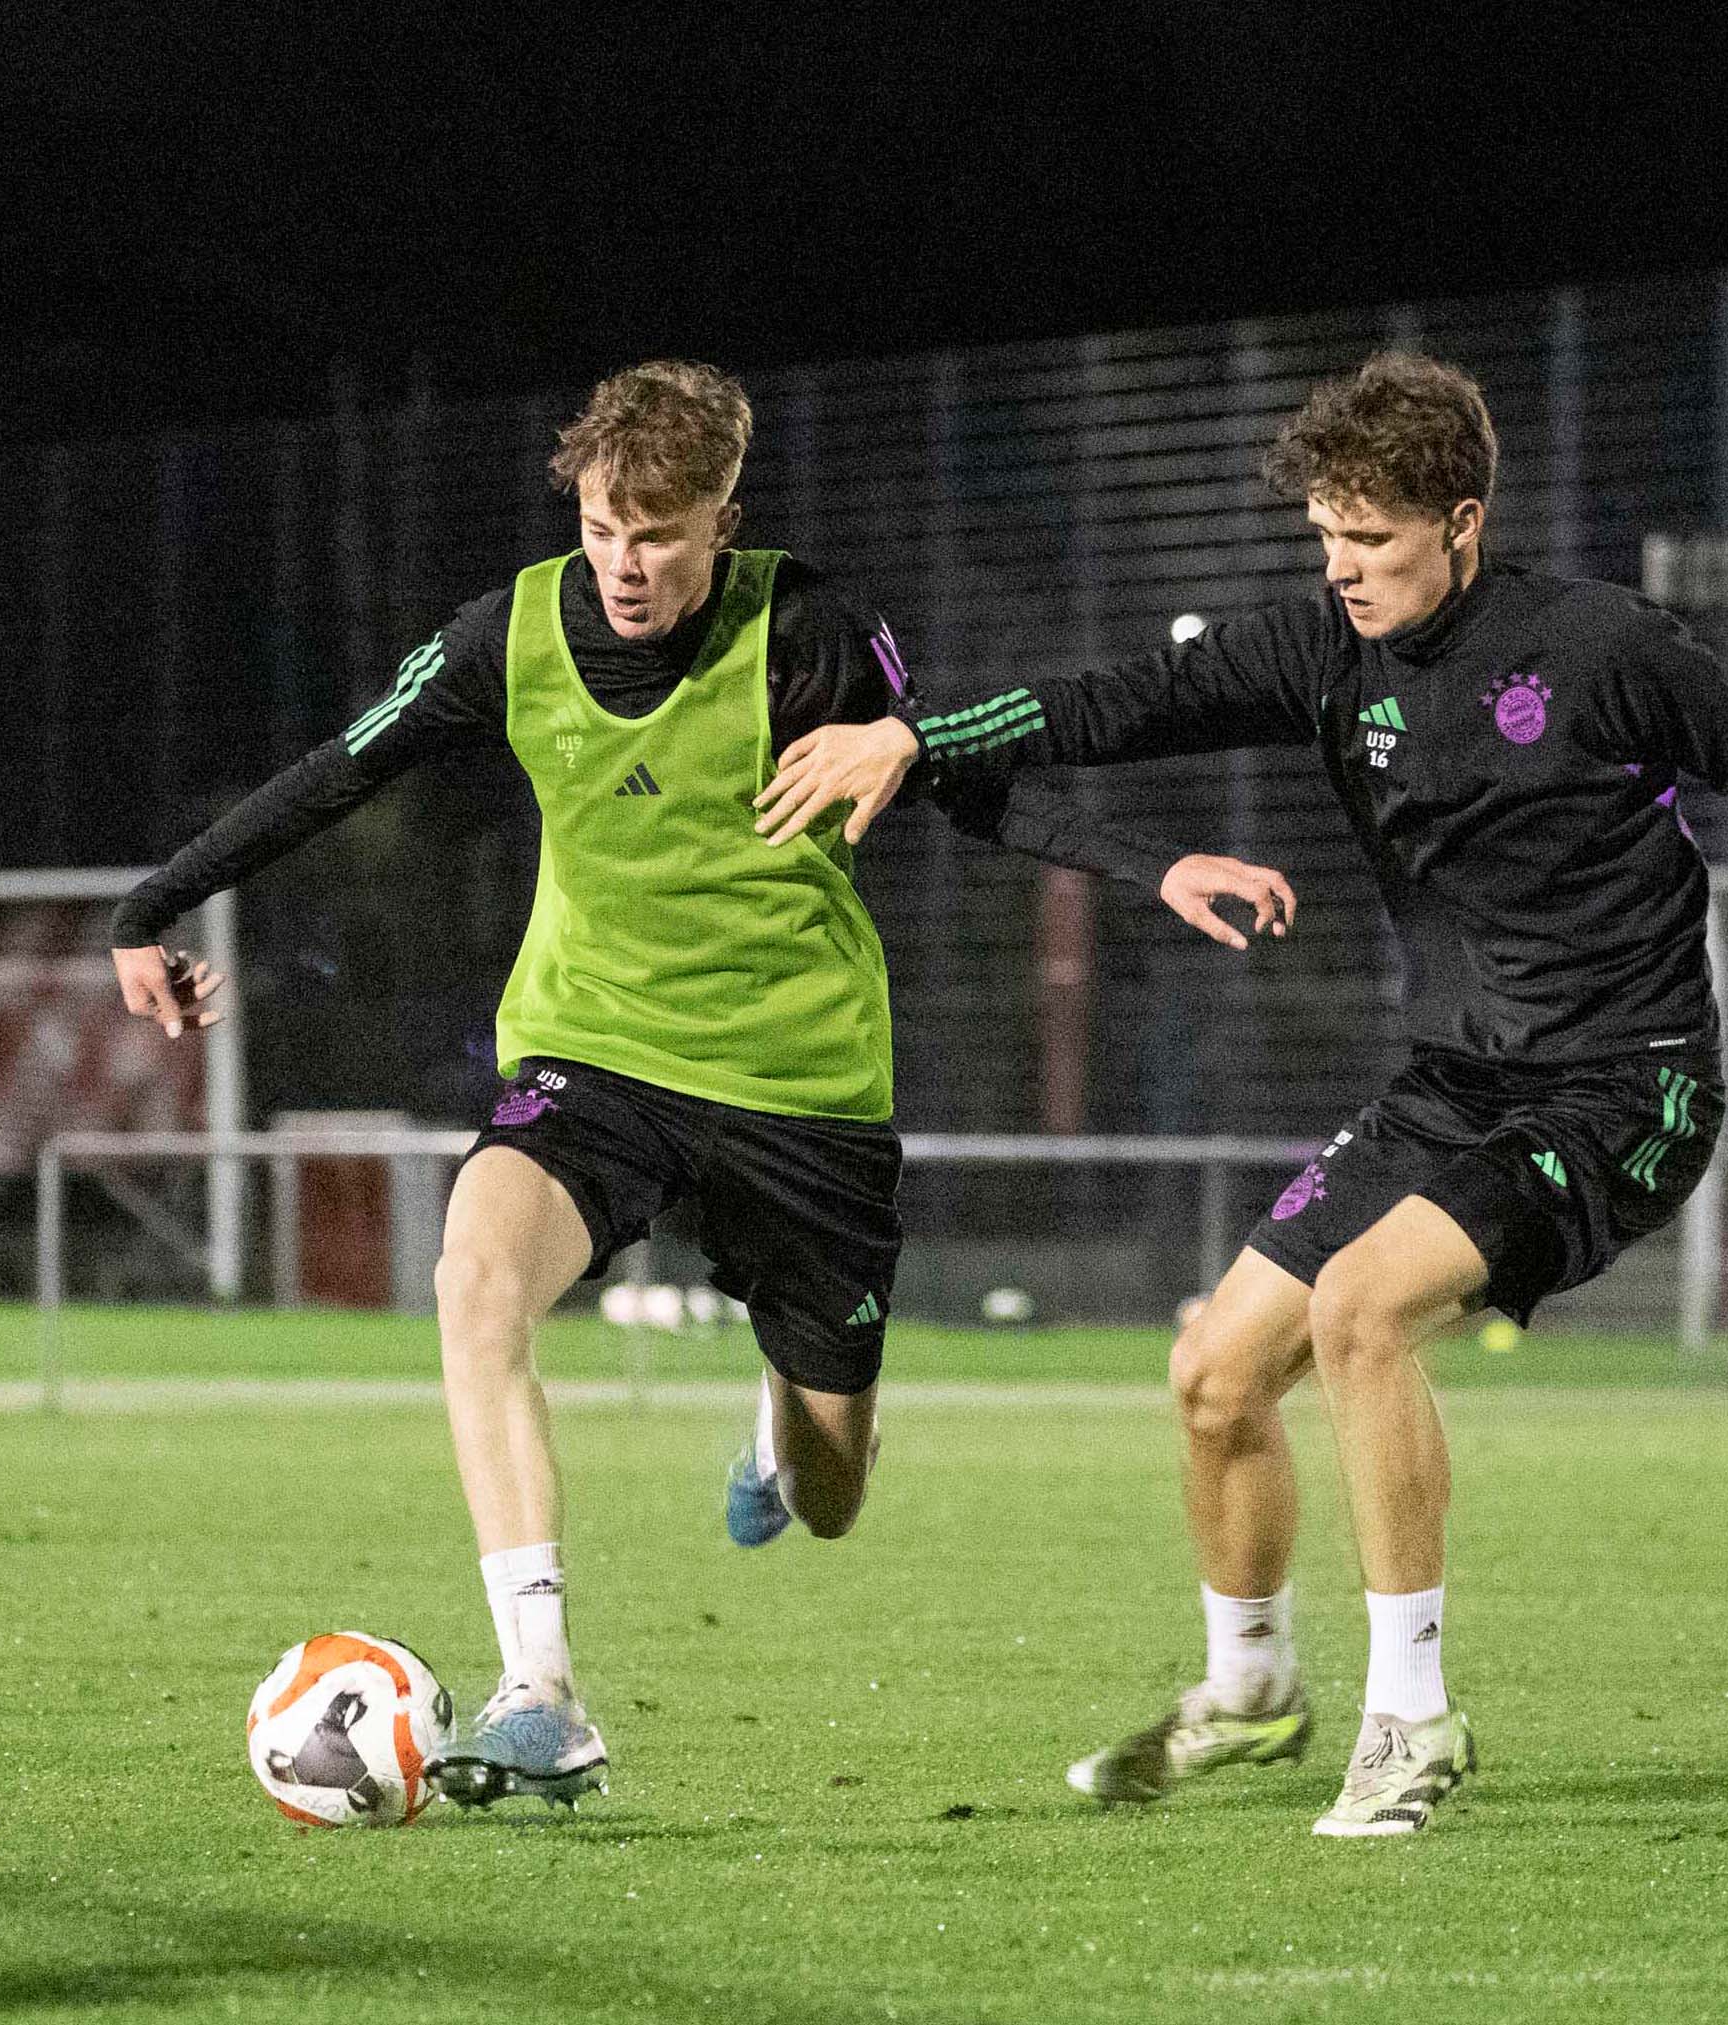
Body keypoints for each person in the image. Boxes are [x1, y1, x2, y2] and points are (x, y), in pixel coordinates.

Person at [754, 350, 1728, 1837]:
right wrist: (912, 733)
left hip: (1625, 1091)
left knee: (1362, 1308)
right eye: (1324, 537)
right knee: (1213, 1371)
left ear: (1463, 520)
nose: (1343, 568)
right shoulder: (1323, 654)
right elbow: (1111, 702)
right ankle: (1249, 1691)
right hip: (1453, 1086)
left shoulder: (1605, 647)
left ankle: (1412, 1720)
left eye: (1371, 540)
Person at [110, 360, 1292, 1809]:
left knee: (832, 1493)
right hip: (592, 1052)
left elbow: (948, 780)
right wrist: (151, 907)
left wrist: (1150, 862)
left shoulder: (810, 631)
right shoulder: (512, 631)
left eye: (660, 532)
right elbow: (344, 766)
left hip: (801, 1087)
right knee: (474, 1278)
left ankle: (780, 1411)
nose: (625, 560)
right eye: (605, 524)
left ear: (724, 518)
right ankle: (539, 1686)